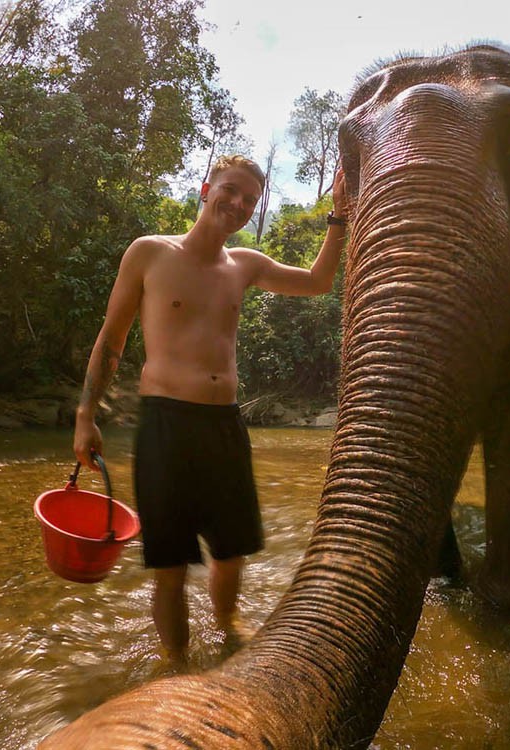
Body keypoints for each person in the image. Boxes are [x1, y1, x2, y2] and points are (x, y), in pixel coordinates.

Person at [73, 155, 350, 662]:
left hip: (224, 425)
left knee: (231, 552)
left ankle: (228, 634)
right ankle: (175, 666)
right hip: (165, 425)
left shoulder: (245, 265)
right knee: (171, 567)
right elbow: (111, 340)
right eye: (231, 190)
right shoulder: (150, 254)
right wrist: (85, 416)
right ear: (206, 188)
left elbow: (317, 282)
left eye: (250, 199)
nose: (239, 204)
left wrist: (337, 217)